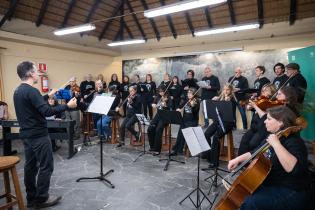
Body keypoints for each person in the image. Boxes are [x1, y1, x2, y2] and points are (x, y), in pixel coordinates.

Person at [13, 61, 77, 208]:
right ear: (30, 73)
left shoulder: (19, 91)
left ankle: (31, 198)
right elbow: (47, 111)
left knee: (30, 167)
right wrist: (68, 106)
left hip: (27, 135)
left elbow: (34, 103)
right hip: (38, 136)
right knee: (46, 166)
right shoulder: (31, 91)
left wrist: (47, 95)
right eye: (36, 71)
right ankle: (42, 198)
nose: (38, 74)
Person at [228, 106, 311, 210]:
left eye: (269, 119)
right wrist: (237, 159)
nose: (265, 122)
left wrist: (276, 145)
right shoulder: (275, 136)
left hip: (291, 190)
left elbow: (293, 168)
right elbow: (255, 152)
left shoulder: (294, 142)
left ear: (281, 122)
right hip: (272, 183)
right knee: (243, 194)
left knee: (250, 203)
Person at [238, 84, 276, 155]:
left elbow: (264, 116)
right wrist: (250, 106)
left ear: (272, 92)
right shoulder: (261, 100)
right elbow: (251, 108)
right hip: (254, 126)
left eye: (266, 91)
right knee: (244, 140)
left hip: (262, 128)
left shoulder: (272, 103)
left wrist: (255, 106)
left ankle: (251, 161)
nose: (263, 93)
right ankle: (241, 162)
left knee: (253, 143)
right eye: (262, 91)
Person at [202, 84, 235, 168]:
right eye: (224, 89)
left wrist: (228, 102)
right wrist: (214, 101)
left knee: (216, 137)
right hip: (218, 121)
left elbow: (230, 113)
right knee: (206, 134)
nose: (226, 91)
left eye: (227, 90)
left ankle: (214, 162)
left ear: (231, 91)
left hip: (227, 123)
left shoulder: (233, 99)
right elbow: (214, 112)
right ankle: (208, 155)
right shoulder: (220, 98)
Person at [171, 88, 200, 156]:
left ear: (194, 94)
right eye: (188, 93)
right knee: (180, 134)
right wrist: (178, 108)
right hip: (184, 120)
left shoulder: (197, 101)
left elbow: (195, 112)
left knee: (187, 133)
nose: (189, 94)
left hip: (192, 121)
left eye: (190, 93)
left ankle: (191, 151)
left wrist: (192, 106)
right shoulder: (187, 100)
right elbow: (181, 106)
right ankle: (177, 150)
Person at [147, 86, 172, 156]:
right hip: (158, 115)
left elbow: (171, 106)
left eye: (162, 92)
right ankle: (152, 146)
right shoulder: (158, 97)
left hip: (165, 116)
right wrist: (153, 104)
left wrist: (166, 105)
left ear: (165, 91)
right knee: (150, 128)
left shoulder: (168, 97)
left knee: (158, 130)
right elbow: (153, 103)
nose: (161, 93)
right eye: (160, 92)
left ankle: (157, 149)